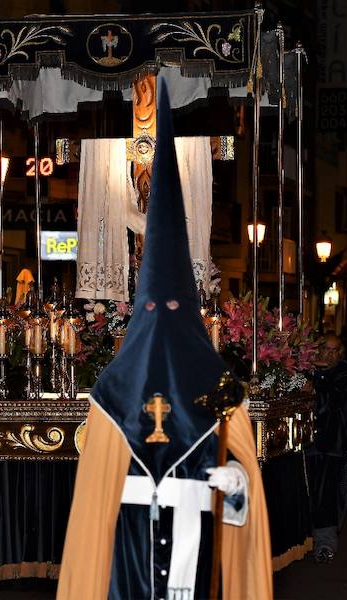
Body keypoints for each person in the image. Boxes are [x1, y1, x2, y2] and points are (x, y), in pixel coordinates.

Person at [58, 83, 272, 600]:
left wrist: (233, 488)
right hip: (127, 555)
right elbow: (91, 511)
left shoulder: (224, 395)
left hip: (196, 556)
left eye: (173, 310)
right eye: (152, 310)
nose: (162, 321)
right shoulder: (111, 395)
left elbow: (244, 500)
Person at [307, 335, 347, 563]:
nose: (329, 354)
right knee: (309, 491)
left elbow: (335, 400)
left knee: (328, 493)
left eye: (335, 351)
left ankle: (325, 543)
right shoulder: (307, 367)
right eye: (325, 349)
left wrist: (320, 374)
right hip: (308, 440)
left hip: (333, 442)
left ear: (341, 353)